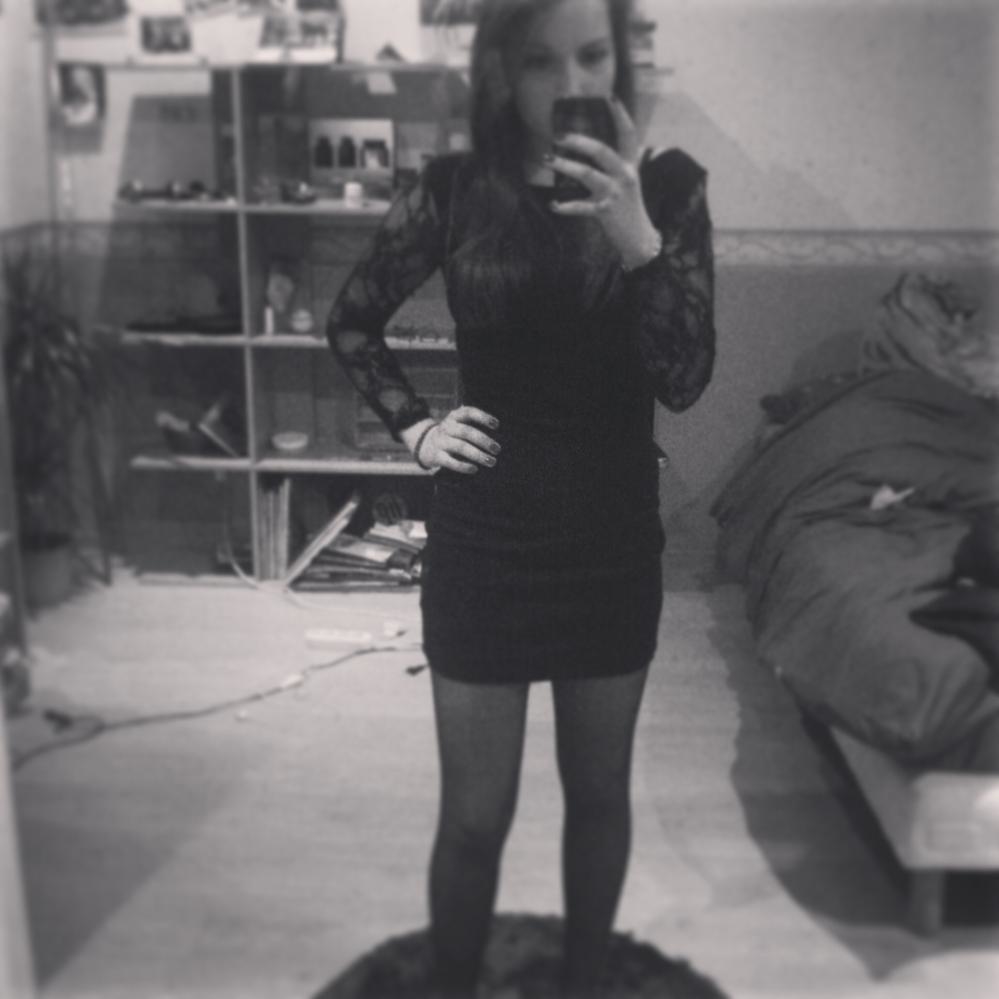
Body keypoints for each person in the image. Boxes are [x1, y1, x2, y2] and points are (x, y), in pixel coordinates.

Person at [326, 0, 715, 992]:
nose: (572, 83)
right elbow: (352, 321)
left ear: (620, 60)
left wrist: (637, 238)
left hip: (610, 544)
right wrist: (417, 430)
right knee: (472, 818)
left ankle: (584, 983)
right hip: (486, 544)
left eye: (592, 55)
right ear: (501, 70)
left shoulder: (670, 189)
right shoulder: (455, 190)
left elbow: (683, 379)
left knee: (600, 797)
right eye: (542, 60)